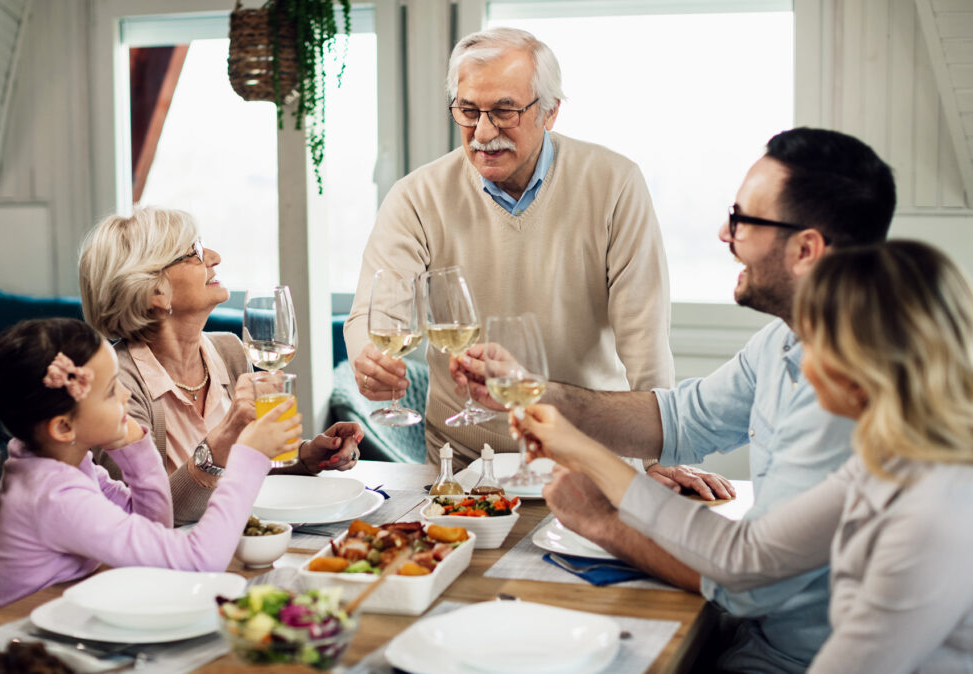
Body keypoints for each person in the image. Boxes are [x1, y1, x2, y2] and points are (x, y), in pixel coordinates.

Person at [461, 127, 897, 671]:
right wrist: (534, 391)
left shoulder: (848, 391)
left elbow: (747, 582)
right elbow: (679, 421)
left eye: (742, 220)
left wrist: (604, 523)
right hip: (751, 637)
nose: (723, 232)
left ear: (806, 249)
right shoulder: (785, 339)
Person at [517, 240, 973, 673]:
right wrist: (582, 449)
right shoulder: (897, 459)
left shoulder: (931, 523)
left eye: (812, 335)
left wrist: (595, 490)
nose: (793, 351)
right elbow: (743, 558)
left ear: (861, 368)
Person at [346, 27, 719, 496]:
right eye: (467, 111)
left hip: (590, 453)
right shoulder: (416, 197)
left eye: (503, 111)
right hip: (465, 462)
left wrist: (660, 454)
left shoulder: (615, 183)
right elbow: (373, 314)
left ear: (550, 111)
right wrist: (371, 359)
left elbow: (643, 335)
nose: (483, 133)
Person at [0, 318, 298, 626]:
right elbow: (200, 560)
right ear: (63, 428)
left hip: (38, 633)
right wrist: (249, 457)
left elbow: (153, 529)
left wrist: (136, 449)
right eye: (111, 389)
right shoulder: (55, 497)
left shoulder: (62, 463)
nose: (126, 394)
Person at [80, 207, 363, 525]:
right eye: (194, 252)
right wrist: (230, 429)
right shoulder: (116, 386)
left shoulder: (229, 350)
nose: (214, 257)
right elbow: (145, 516)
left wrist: (307, 456)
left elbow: (245, 467)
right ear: (154, 290)